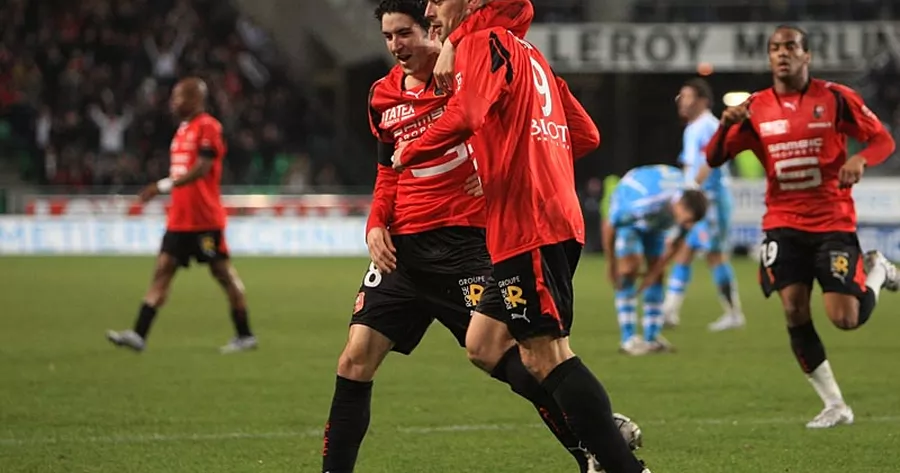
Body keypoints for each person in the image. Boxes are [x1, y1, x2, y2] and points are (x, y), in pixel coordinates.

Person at [321, 2, 624, 472]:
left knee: (508, 352)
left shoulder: (472, 69)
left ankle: (590, 440)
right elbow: (387, 172)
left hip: (468, 248)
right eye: (388, 36)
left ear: (434, 31)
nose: (396, 46)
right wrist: (376, 222)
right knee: (354, 360)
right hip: (404, 252)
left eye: (406, 33)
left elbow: (557, 130)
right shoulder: (382, 96)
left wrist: (494, 171)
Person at [706, 25, 899, 428]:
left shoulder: (835, 99)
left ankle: (877, 268)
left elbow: (882, 140)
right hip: (782, 222)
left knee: (845, 318)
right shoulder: (754, 108)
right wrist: (726, 124)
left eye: (790, 46)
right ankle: (835, 405)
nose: (782, 54)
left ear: (806, 55)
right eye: (775, 48)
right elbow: (714, 158)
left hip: (832, 220)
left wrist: (860, 160)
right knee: (794, 310)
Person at [106, 77, 256, 354]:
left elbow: (202, 167)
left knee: (222, 273)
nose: (173, 102)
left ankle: (245, 334)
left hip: (204, 220)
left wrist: (161, 186)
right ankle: (138, 334)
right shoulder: (182, 131)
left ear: (195, 98)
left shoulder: (208, 127)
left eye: (178, 97)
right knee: (162, 271)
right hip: (179, 219)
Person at [663, 78, 745, 332]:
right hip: (696, 202)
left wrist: (693, 190)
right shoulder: (693, 128)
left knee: (715, 255)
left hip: (710, 202)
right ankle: (669, 311)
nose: (682, 101)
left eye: (687, 96)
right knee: (684, 254)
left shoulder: (709, 126)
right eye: (681, 96)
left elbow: (711, 162)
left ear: (702, 101)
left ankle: (734, 314)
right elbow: (690, 166)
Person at [603, 165, 708, 355]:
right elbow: (610, 226)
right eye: (687, 220)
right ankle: (629, 339)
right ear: (680, 206)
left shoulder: (690, 200)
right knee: (628, 271)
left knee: (658, 277)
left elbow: (678, 240)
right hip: (631, 206)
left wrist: (654, 272)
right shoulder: (645, 203)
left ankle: (652, 338)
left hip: (658, 223)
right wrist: (611, 265)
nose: (688, 225)